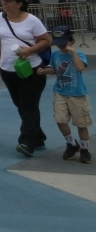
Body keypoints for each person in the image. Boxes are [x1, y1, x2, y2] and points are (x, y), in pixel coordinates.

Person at [0, 0, 52, 156]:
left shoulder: (32, 21)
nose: (4, 4)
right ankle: (38, 136)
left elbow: (46, 40)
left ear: (19, 4)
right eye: (3, 0)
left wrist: (30, 50)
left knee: (29, 105)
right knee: (20, 105)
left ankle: (27, 141)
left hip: (31, 69)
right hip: (8, 69)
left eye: (8, 1)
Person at [38, 26, 91, 163]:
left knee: (81, 123)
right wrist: (45, 71)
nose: (61, 46)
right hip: (60, 92)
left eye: (63, 43)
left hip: (77, 94)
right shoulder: (55, 55)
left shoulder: (78, 54)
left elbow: (80, 68)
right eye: (58, 43)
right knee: (60, 119)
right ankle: (71, 144)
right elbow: (55, 69)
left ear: (71, 41)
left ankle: (85, 149)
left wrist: (72, 52)